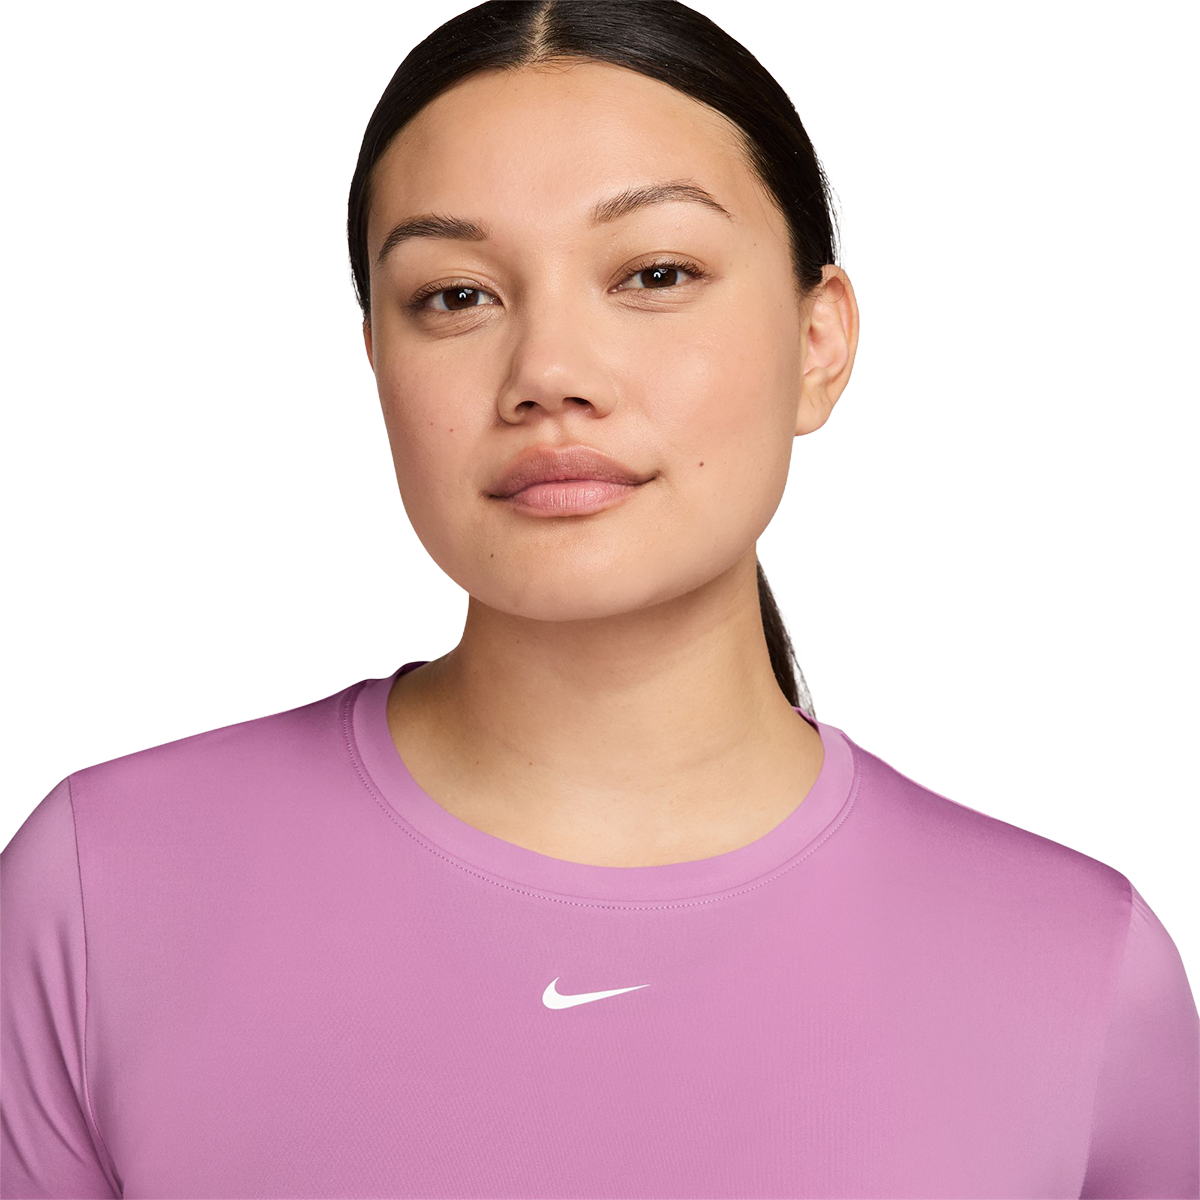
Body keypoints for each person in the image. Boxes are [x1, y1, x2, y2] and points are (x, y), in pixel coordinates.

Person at [2, 0, 1197, 1195]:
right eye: (455, 296)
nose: (549, 374)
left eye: (655, 274)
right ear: (376, 358)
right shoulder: (104, 892)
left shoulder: (1079, 970)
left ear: (820, 340)